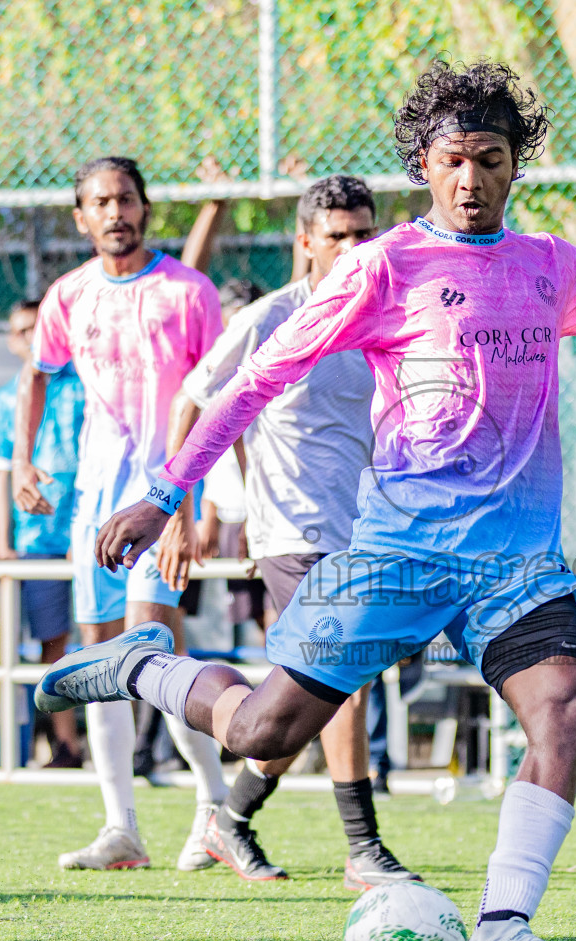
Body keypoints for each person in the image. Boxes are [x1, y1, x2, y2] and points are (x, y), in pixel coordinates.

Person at [44, 59, 576, 941]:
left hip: (514, 566)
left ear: (516, 166)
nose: (471, 179)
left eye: (490, 159)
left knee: (566, 705)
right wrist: (164, 494)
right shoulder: (383, 266)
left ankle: (506, 934)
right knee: (262, 732)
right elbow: (258, 381)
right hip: (398, 555)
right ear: (424, 168)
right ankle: (147, 665)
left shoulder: (550, 266)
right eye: (452, 161)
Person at [167, 174, 418, 890]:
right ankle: (363, 845)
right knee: (346, 677)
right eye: (337, 236)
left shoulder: (388, 314)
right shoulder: (272, 317)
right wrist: (180, 511)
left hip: (368, 533)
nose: (353, 247)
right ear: (306, 241)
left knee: (304, 702)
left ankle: (230, 816)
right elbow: (194, 401)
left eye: (364, 234)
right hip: (292, 531)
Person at [13, 155, 229, 871]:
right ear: (81, 217)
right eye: (101, 202)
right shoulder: (68, 295)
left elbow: (215, 404)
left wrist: (188, 508)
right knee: (101, 658)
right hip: (94, 505)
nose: (115, 212)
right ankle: (121, 829)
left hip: (162, 502)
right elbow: (36, 375)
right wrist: (23, 461)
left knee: (151, 650)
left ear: (145, 208)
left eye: (126, 199)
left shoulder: (188, 291)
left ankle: (214, 809)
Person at [0, 299, 85, 769]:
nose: (31, 338)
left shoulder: (84, 383)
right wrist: (2, 543)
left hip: (92, 534)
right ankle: (65, 745)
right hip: (35, 540)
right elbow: (0, 471)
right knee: (52, 642)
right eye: (22, 330)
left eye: (37, 328)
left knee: (114, 634)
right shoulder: (7, 397)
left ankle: (127, 744)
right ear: (11, 340)